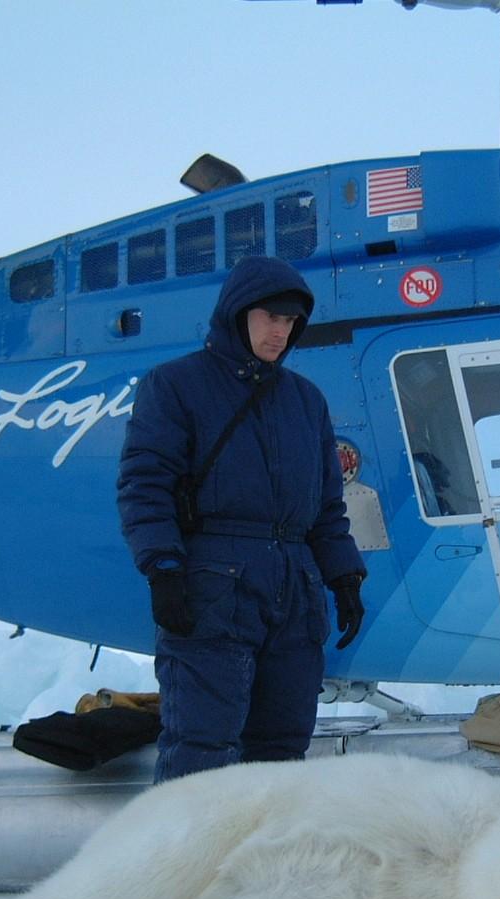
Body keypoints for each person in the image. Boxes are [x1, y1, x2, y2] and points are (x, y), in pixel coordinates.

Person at [117, 256, 365, 783]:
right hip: (214, 585)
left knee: (281, 748)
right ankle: (186, 863)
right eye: (270, 317)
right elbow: (146, 484)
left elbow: (326, 505)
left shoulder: (306, 400)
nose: (281, 331)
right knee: (201, 747)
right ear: (237, 313)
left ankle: (262, 863)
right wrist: (162, 568)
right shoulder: (176, 385)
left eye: (291, 321)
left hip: (295, 589)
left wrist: (343, 575)